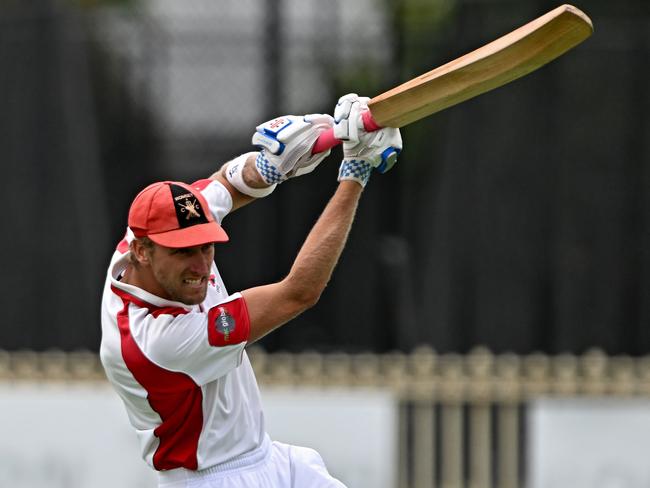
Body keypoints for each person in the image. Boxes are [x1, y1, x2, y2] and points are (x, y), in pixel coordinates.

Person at [100, 94, 402, 488]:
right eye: (184, 253)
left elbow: (226, 184)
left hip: (267, 457)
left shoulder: (140, 242)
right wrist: (355, 172)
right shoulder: (158, 343)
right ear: (144, 251)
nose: (201, 265)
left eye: (206, 246)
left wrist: (270, 165)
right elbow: (299, 293)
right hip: (212, 479)